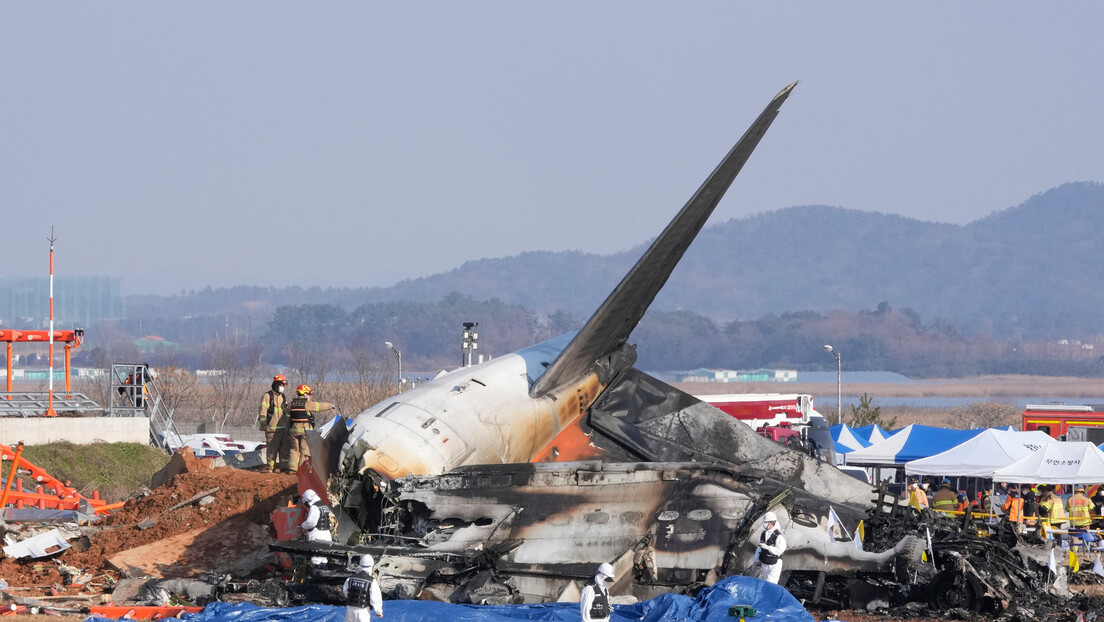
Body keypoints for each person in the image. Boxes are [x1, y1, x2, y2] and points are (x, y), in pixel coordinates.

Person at [285, 385, 335, 474]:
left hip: (293, 431)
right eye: (309, 394)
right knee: (304, 450)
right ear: (305, 394)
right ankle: (301, 469)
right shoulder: (307, 404)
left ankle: (292, 468)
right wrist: (330, 405)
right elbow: (319, 406)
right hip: (304, 431)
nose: (310, 396)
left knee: (294, 449)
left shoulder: (291, 404)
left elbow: (287, 416)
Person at [258, 375, 289, 473]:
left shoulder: (283, 397)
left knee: (284, 451)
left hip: (283, 429)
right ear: (276, 384)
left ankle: (283, 468)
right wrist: (264, 425)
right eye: (281, 384)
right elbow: (263, 411)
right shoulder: (267, 396)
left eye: (283, 385)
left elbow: (286, 412)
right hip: (272, 429)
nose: (282, 387)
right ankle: (270, 469)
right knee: (272, 450)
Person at [342, 554, 383, 620]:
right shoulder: (371, 581)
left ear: (360, 565)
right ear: (371, 566)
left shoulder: (351, 578)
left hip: (350, 610)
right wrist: (378, 612)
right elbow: (375, 598)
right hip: (363, 611)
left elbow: (345, 591)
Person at [300, 488, 334, 567]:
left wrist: (302, 525)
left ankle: (317, 577)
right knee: (323, 559)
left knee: (316, 560)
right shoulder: (324, 506)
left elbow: (311, 522)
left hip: (318, 536)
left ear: (309, 499)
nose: (307, 505)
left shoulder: (314, 507)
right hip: (326, 535)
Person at [754, 511, 787, 584]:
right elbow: (759, 548)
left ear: (772, 523)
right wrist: (755, 561)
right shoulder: (763, 534)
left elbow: (780, 551)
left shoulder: (778, 537)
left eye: (766, 522)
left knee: (770, 584)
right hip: (765, 562)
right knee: (764, 582)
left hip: (774, 564)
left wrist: (768, 548)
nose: (764, 524)